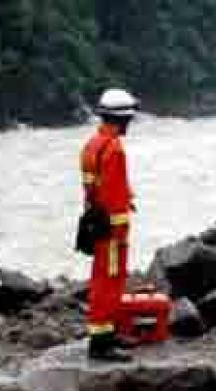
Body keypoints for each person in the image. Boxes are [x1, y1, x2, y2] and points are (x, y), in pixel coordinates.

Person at [80, 88, 139, 362]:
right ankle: (102, 342)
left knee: (102, 277)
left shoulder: (92, 144)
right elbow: (112, 194)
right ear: (121, 119)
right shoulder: (114, 148)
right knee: (110, 281)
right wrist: (120, 227)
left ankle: (106, 333)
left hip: (97, 222)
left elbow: (93, 189)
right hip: (112, 228)